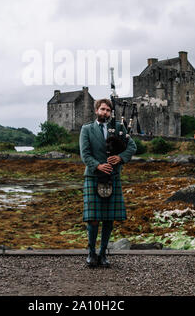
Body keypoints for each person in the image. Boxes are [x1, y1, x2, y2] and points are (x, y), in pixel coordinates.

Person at [79, 98, 137, 268]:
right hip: (93, 176)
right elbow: (85, 153)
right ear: (96, 110)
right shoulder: (87, 129)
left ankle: (103, 254)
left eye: (108, 110)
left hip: (113, 176)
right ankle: (91, 253)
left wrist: (120, 158)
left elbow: (132, 147)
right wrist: (98, 165)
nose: (105, 112)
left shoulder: (119, 128)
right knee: (93, 219)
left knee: (109, 219)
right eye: (102, 109)